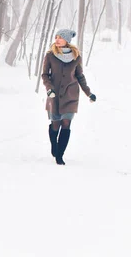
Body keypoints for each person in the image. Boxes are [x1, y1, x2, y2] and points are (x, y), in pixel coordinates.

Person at [41, 29, 96, 165]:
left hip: (70, 96)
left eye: (60, 37)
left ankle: (60, 156)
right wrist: (49, 89)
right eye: (56, 37)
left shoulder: (76, 57)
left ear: (67, 40)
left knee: (66, 124)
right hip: (54, 95)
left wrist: (88, 92)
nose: (57, 40)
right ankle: (54, 145)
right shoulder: (50, 55)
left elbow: (80, 76)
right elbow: (44, 75)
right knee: (55, 125)